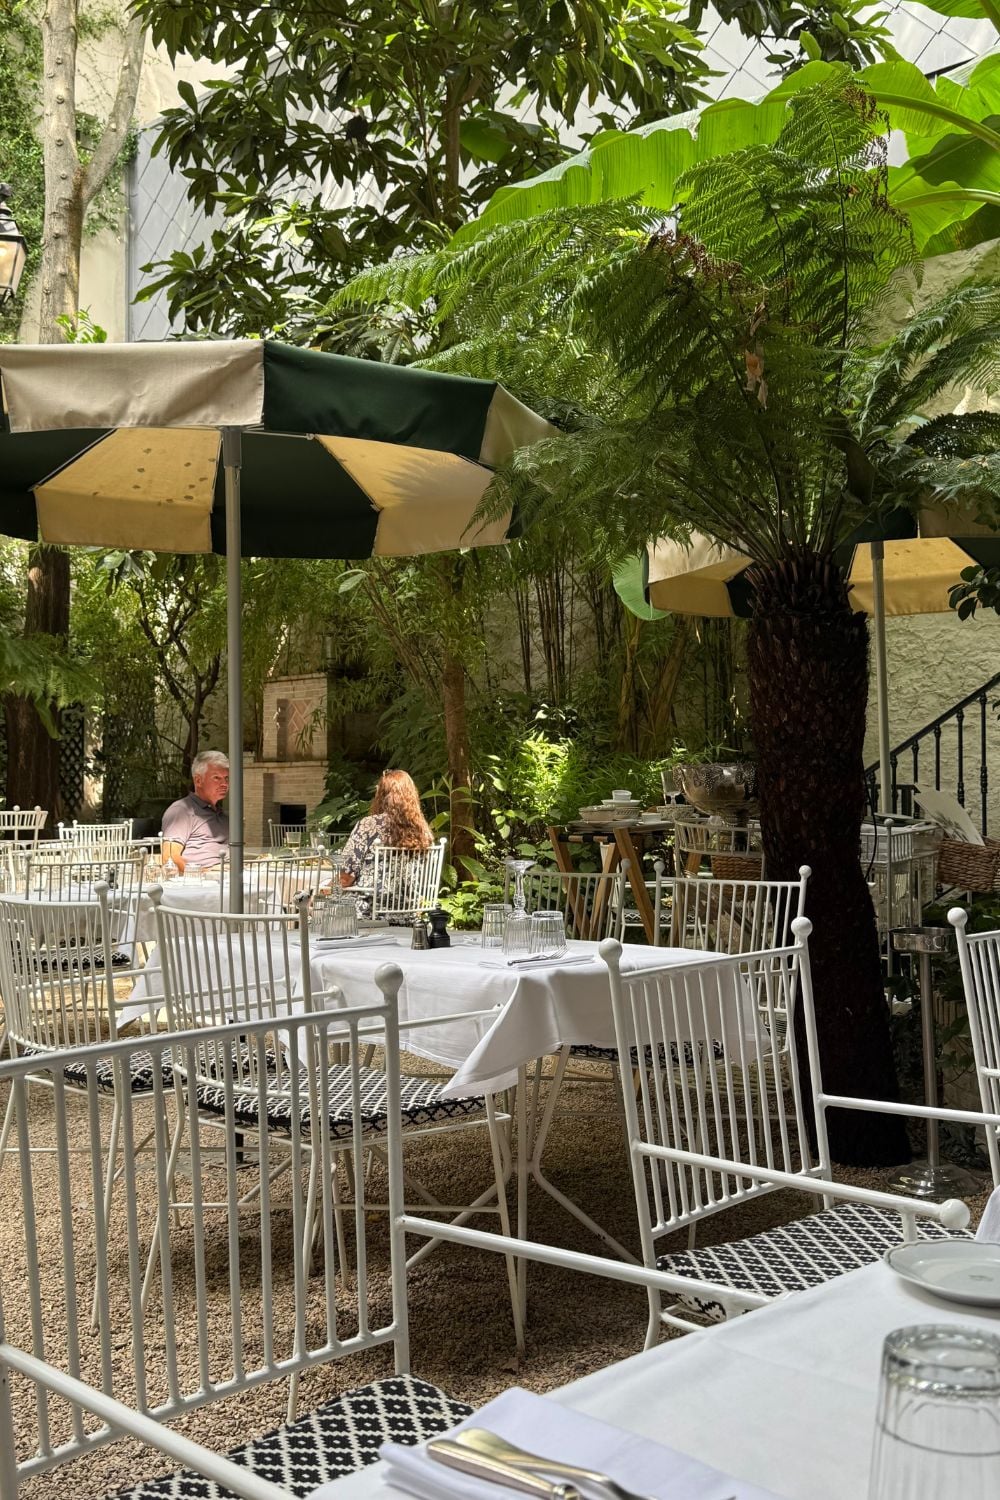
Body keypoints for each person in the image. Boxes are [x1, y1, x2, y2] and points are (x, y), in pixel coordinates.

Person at [339, 769, 433, 919]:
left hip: (367, 912)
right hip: (408, 913)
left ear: (381, 796)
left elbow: (345, 877)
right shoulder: (423, 831)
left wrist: (323, 889)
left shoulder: (368, 826)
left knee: (314, 902)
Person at [161, 750, 230, 873]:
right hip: (201, 886)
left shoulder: (224, 816)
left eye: (226, 778)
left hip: (230, 882)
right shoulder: (181, 811)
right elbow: (170, 858)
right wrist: (207, 874)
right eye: (217, 778)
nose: (224, 784)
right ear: (198, 781)